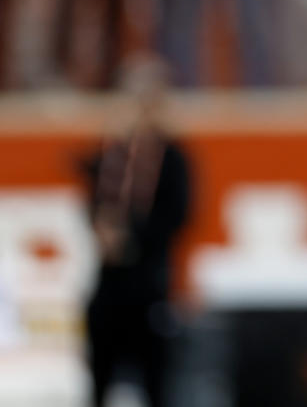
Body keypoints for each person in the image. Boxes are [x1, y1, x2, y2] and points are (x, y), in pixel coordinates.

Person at [80, 58, 191, 407]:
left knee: (154, 381)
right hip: (109, 281)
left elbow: (178, 215)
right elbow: (93, 199)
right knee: (99, 376)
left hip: (149, 281)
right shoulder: (113, 153)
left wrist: (131, 236)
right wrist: (102, 230)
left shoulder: (172, 158)